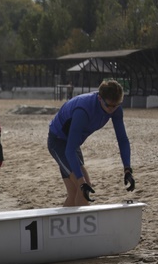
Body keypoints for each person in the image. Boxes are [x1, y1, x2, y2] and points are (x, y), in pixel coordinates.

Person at [47, 79, 134, 207]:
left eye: (116, 105)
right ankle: (81, 226)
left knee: (74, 193)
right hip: (58, 142)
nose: (112, 109)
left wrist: (128, 169)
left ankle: (61, 226)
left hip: (73, 142)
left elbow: (122, 139)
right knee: (84, 186)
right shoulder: (83, 110)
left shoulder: (115, 108)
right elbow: (69, 150)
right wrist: (81, 181)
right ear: (99, 98)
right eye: (109, 105)